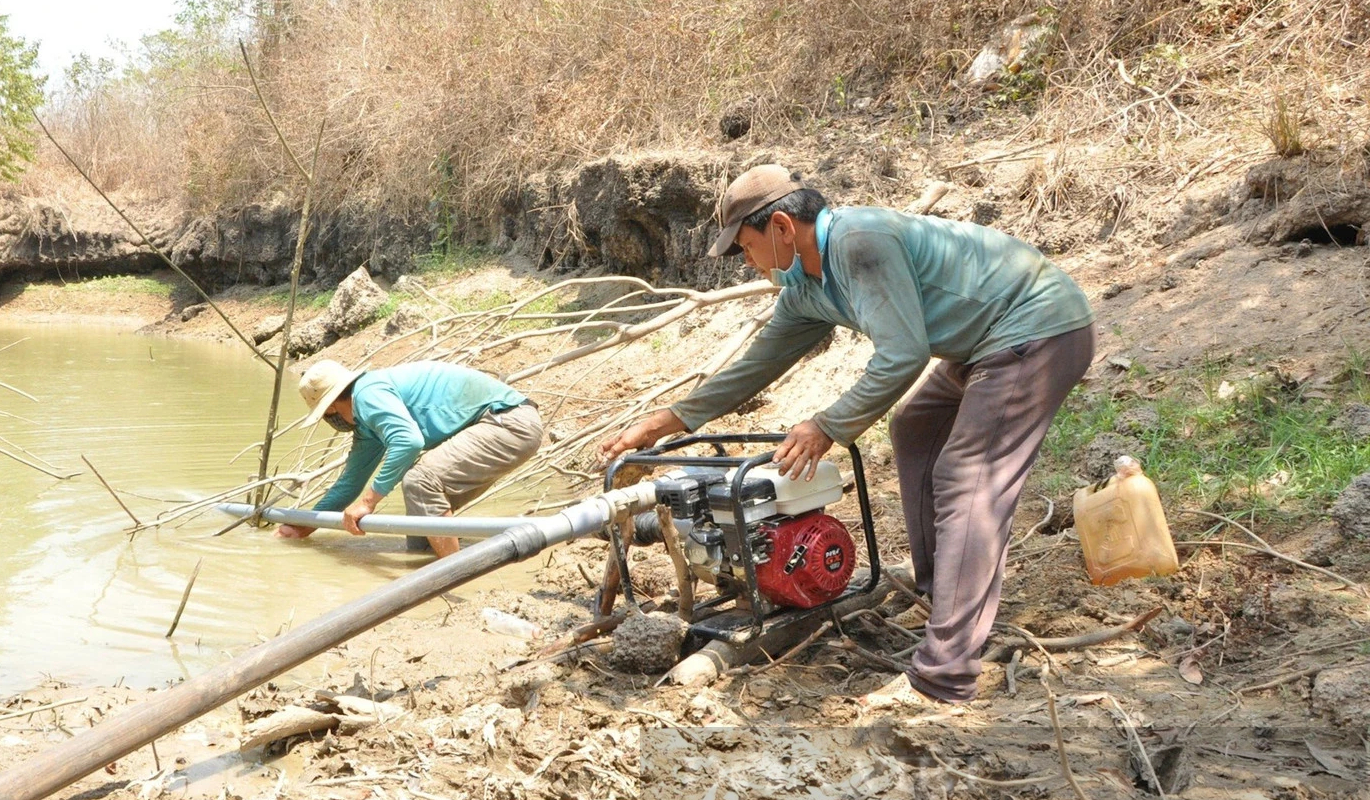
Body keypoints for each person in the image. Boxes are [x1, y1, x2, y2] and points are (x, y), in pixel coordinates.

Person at [596, 164, 1094, 706]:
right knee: (916, 426)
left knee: (967, 477)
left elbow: (902, 355)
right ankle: (938, 591)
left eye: (745, 247)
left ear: (782, 228)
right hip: (982, 341)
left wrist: (827, 426)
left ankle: (944, 673)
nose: (747, 262)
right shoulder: (807, 283)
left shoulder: (860, 243)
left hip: (1037, 328)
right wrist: (672, 419)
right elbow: (760, 363)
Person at [283, 359, 543, 558]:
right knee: (421, 539)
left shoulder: (367, 394)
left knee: (420, 479)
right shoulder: (366, 425)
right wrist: (302, 527)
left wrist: (369, 501)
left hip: (508, 423)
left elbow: (409, 441)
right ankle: (443, 569)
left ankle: (456, 575)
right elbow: (349, 484)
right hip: (499, 427)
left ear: (329, 409)